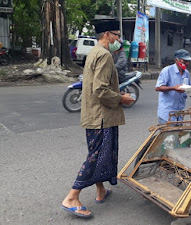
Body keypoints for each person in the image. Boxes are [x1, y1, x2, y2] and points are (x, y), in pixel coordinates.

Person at [61, 20, 134, 218]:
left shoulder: (94, 52)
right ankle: (72, 197)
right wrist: (121, 98)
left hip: (95, 114)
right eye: (117, 35)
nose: (119, 39)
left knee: (100, 154)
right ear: (108, 35)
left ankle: (101, 190)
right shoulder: (104, 55)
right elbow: (100, 89)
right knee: (96, 157)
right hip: (101, 117)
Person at [155, 49, 191, 124]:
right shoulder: (167, 70)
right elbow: (158, 87)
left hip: (179, 113)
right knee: (167, 135)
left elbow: (187, 87)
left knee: (178, 135)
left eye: (188, 61)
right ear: (176, 60)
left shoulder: (186, 73)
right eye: (184, 61)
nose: (187, 63)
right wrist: (173, 88)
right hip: (167, 114)